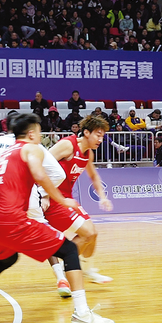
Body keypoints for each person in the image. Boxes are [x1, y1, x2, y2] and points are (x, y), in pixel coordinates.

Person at [0, 114, 115, 323]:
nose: (41, 137)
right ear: (30, 133)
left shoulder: (6, 152)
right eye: (39, 132)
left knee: (7, 258)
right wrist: (61, 199)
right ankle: (82, 315)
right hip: (12, 219)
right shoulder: (32, 148)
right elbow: (42, 174)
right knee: (69, 251)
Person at [0, 112, 71, 298]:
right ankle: (61, 279)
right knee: (48, 237)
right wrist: (42, 193)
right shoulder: (32, 145)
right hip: (29, 200)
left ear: (6, 125)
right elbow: (59, 174)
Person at [45, 116, 114, 283]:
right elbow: (41, 164)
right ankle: (66, 268)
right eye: (98, 135)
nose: (100, 139)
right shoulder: (67, 145)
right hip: (53, 199)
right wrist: (44, 195)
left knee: (93, 234)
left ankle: (86, 269)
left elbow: (94, 176)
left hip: (67, 199)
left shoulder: (88, 154)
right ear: (86, 133)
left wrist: (103, 197)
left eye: (102, 136)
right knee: (87, 233)